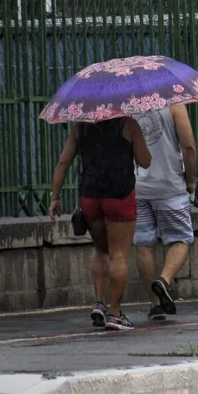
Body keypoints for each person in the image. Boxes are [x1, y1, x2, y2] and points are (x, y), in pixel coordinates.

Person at [48, 117, 151, 331]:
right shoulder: (128, 124)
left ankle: (99, 302)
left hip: (90, 197)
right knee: (119, 255)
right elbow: (145, 160)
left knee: (101, 250)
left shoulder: (81, 128)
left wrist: (55, 197)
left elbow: (63, 162)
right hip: (120, 195)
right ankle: (115, 313)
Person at [133, 105, 198, 321]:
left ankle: (156, 304)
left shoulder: (127, 104)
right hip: (170, 184)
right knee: (180, 238)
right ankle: (164, 279)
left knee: (144, 244)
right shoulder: (174, 103)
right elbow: (188, 145)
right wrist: (190, 179)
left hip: (137, 185)